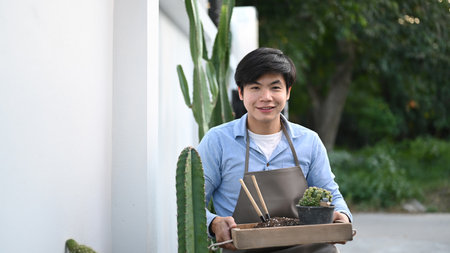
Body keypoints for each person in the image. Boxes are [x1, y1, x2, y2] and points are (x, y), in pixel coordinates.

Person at [197, 47, 352, 252]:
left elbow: (331, 195)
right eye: (255, 88)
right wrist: (214, 223)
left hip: (306, 248)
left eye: (275, 87)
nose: (266, 97)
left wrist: (342, 217)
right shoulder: (217, 141)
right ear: (241, 92)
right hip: (242, 249)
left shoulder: (309, 141)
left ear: (288, 92)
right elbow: (193, 204)